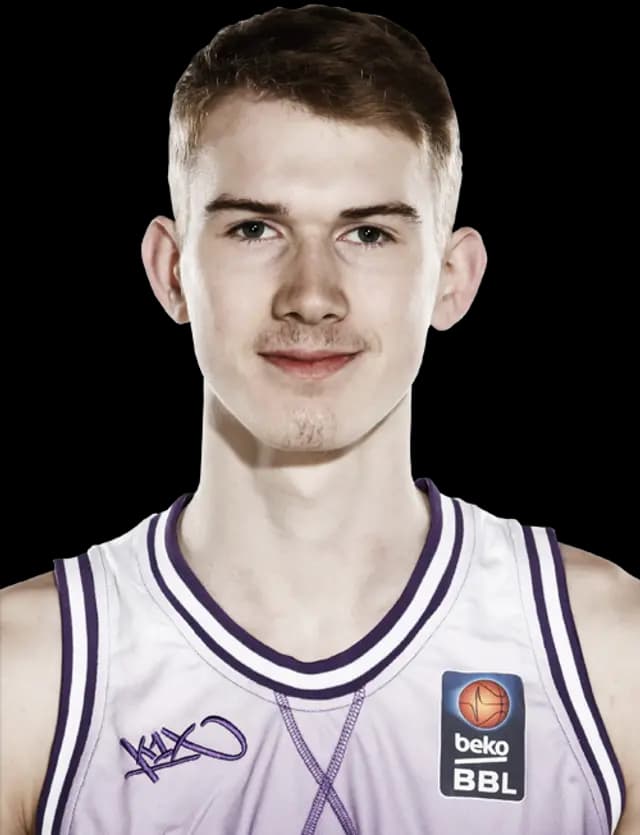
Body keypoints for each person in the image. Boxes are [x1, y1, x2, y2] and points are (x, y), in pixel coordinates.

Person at [1, 5, 638, 834]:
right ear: (173, 271)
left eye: (368, 233)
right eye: (254, 228)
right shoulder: (27, 675)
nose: (311, 295)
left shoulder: (608, 654)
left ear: (451, 279)